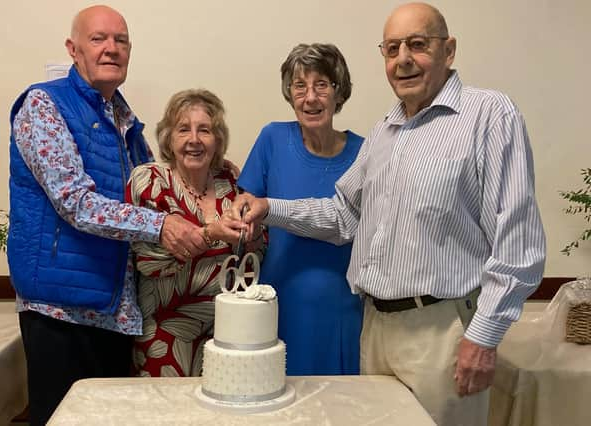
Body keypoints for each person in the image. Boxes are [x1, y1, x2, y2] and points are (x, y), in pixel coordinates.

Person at [232, 3, 546, 425]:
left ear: (448, 50)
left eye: (418, 45)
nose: (403, 59)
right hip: (374, 330)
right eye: (392, 48)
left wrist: (484, 336)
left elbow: (519, 244)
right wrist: (271, 207)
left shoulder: (489, 115)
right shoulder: (385, 132)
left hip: (441, 332)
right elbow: (344, 215)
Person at [7, 6, 222, 425]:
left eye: (120, 41)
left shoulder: (126, 123)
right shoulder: (43, 105)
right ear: (73, 49)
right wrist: (162, 225)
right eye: (98, 39)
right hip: (61, 312)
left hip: (117, 313)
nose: (111, 49)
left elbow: (153, 197)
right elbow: (76, 202)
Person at [237, 43, 363, 375]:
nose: (310, 97)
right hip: (277, 304)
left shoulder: (365, 153)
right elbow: (246, 203)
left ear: (339, 92)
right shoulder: (273, 139)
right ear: (289, 94)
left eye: (322, 85)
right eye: (299, 86)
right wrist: (244, 221)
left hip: (341, 311)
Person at [128, 89, 264, 377]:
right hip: (165, 339)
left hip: (229, 336)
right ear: (168, 138)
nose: (194, 140)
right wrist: (211, 232)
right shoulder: (151, 181)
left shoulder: (231, 181)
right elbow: (149, 260)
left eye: (204, 130)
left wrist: (253, 235)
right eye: (183, 129)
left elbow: (256, 253)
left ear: (217, 140)